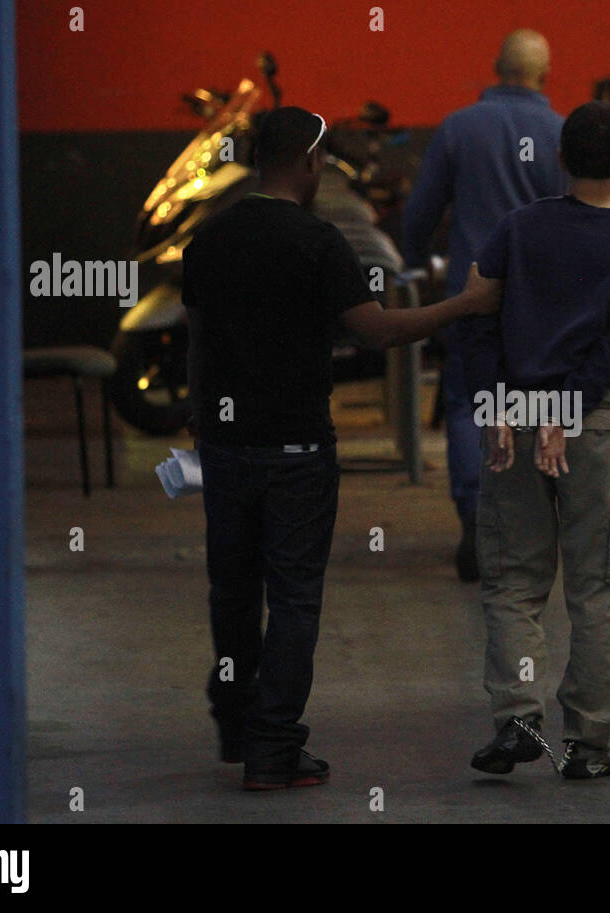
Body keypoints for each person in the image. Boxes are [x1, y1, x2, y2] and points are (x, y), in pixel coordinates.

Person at [183, 106, 501, 790]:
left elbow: (198, 343)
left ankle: (236, 725)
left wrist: (200, 421)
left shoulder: (208, 239)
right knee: (294, 598)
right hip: (296, 449)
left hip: (227, 447)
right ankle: (273, 746)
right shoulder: (318, 242)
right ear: (311, 161)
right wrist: (464, 306)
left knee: (233, 591)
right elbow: (376, 332)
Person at [464, 101, 610, 779]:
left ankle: (518, 718)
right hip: (594, 429)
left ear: (558, 158)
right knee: (597, 587)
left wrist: (497, 401)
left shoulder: (516, 228)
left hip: (514, 425)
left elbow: (478, 320)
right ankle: (589, 744)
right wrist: (568, 406)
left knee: (513, 582)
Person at [403, 28, 567, 582]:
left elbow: (420, 213)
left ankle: (476, 523)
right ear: (546, 73)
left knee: (469, 406)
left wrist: (414, 260)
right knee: (541, 407)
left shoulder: (458, 128)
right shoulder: (561, 132)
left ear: (496, 67)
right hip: (542, 307)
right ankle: (531, 528)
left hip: (471, 300)